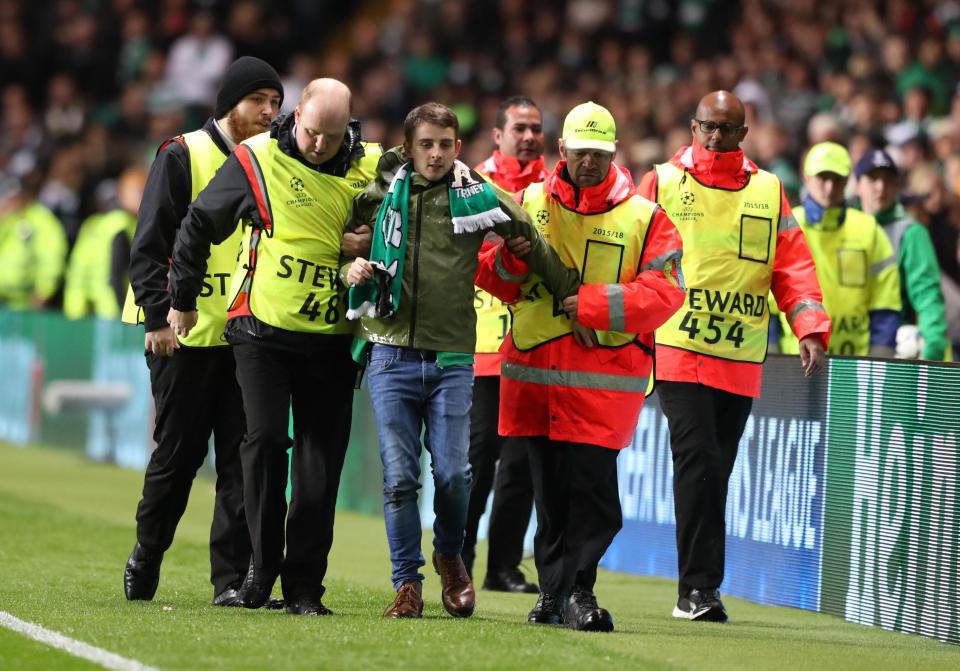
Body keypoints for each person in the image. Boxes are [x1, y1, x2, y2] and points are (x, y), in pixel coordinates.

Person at [342, 102, 580, 620]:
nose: (435, 154)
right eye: (426, 144)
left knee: (453, 475)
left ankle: (450, 555)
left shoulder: (477, 195)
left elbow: (530, 240)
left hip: (452, 359)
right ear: (408, 148)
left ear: (458, 147)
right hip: (389, 353)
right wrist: (348, 264)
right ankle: (407, 583)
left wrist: (573, 296)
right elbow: (338, 243)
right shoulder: (377, 194)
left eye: (445, 145)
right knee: (401, 478)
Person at [167, 78, 381, 616]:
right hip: (261, 332)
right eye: (311, 133)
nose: (318, 145)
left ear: (348, 127)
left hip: (331, 343)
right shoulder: (256, 158)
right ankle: (260, 571)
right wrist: (182, 299)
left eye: (331, 138)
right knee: (262, 444)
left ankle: (306, 587)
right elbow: (197, 224)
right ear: (297, 115)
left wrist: (370, 235)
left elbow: (411, 224)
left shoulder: (372, 167)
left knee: (320, 464)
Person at [476, 101, 685, 632]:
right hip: (536, 379)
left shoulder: (643, 216)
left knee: (593, 499)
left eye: (599, 154)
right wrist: (512, 260)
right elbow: (487, 273)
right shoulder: (528, 202)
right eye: (579, 152)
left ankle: (573, 591)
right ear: (561, 150)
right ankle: (559, 594)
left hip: (601, 384)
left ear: (612, 154)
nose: (588, 163)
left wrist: (593, 304)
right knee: (548, 499)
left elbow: (666, 293)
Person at [638, 90, 831, 623]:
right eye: (707, 127)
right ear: (692, 127)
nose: (715, 137)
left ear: (743, 134)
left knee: (717, 468)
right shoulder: (662, 180)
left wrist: (809, 327)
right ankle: (697, 591)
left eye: (726, 128)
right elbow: (632, 254)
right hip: (678, 347)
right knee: (697, 461)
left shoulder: (769, 191)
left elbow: (792, 267)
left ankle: (702, 588)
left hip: (741, 355)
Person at [121, 55, 284, 608]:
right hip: (181, 333)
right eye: (259, 100)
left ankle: (230, 582)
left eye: (276, 103)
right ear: (229, 104)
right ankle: (148, 551)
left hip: (243, 335)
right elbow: (148, 243)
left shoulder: (269, 161)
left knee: (243, 462)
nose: (269, 112)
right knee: (178, 456)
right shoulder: (181, 153)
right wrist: (156, 316)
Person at [463, 95, 547, 593]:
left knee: (520, 466)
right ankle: (457, 558)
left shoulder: (552, 188)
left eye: (535, 127)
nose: (529, 136)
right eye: (519, 127)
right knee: (476, 462)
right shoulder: (470, 184)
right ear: (498, 135)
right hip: (479, 347)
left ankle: (503, 568)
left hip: (531, 344)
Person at [769, 142, 901, 357]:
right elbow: (769, 301)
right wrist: (772, 355)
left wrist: (879, 360)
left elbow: (885, 301)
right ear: (806, 177)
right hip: (795, 358)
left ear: (848, 180)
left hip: (855, 360)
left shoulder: (868, 229)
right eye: (823, 178)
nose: (829, 188)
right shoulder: (788, 225)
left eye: (837, 180)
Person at [854, 148, 948, 360]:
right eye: (873, 179)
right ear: (858, 185)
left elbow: (928, 295)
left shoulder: (911, 233)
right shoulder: (844, 227)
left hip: (893, 351)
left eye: (888, 180)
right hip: (845, 348)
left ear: (897, 186)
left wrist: (932, 351)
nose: (881, 187)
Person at [64, 166, 146, 320]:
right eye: (140, 192)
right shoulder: (122, 225)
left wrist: (78, 305)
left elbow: (79, 268)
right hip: (115, 311)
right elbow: (116, 273)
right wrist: (124, 312)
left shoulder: (94, 224)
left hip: (89, 308)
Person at [0, 175, 67, 310]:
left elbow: (52, 256)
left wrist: (43, 289)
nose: (11, 201)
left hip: (27, 300)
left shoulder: (41, 219)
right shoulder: (8, 218)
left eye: (16, 196)